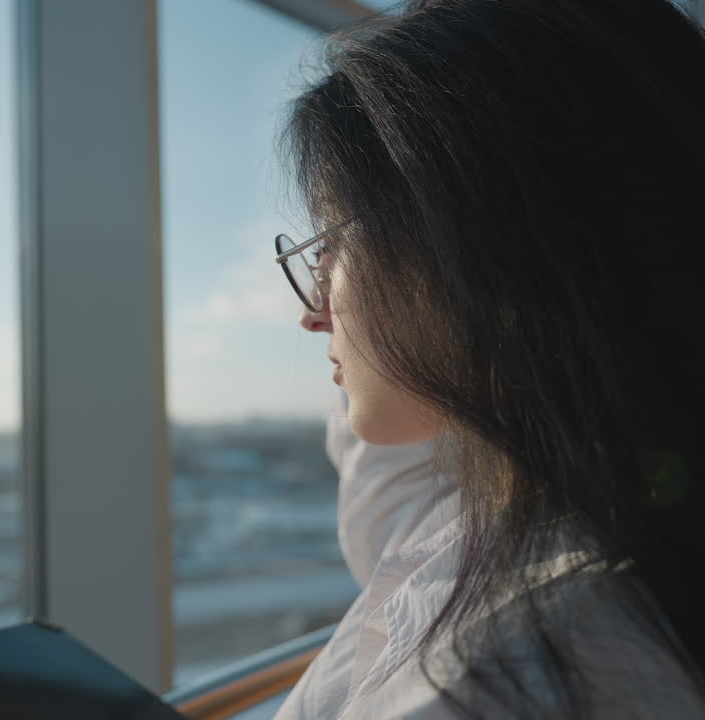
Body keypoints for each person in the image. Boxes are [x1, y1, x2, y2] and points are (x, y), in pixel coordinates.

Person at [269, 0, 705, 717]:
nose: (311, 313)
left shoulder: (507, 676)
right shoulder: (554, 515)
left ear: (469, 251)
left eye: (328, 246)